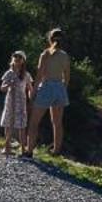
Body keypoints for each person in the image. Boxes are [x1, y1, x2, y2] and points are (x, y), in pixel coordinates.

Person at [29, 28, 71, 156]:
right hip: (60, 88)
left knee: (34, 122)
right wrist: (62, 88)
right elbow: (67, 77)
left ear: (49, 39)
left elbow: (39, 75)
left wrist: (33, 92)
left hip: (46, 86)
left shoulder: (45, 54)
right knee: (57, 123)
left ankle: (29, 150)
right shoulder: (65, 56)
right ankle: (56, 151)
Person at [0, 50, 35, 157]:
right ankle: (7, 147)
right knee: (8, 123)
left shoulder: (26, 74)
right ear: (12, 59)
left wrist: (31, 98)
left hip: (21, 102)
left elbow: (30, 88)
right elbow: (2, 88)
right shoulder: (9, 73)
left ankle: (23, 149)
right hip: (10, 101)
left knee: (22, 125)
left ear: (23, 61)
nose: (17, 59)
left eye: (19, 58)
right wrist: (8, 85)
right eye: (15, 57)